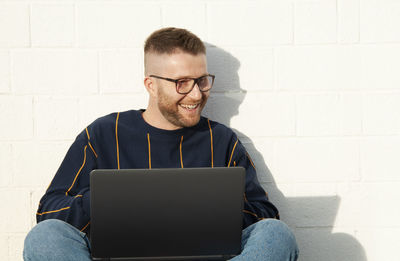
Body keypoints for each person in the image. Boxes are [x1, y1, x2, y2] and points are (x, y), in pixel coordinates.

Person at [23, 27, 298, 261]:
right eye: (182, 83)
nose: (196, 93)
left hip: (204, 255)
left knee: (276, 234)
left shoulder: (222, 140)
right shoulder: (103, 134)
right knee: (44, 237)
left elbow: (264, 214)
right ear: (151, 85)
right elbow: (49, 211)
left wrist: (209, 209)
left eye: (202, 81)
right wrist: (111, 202)